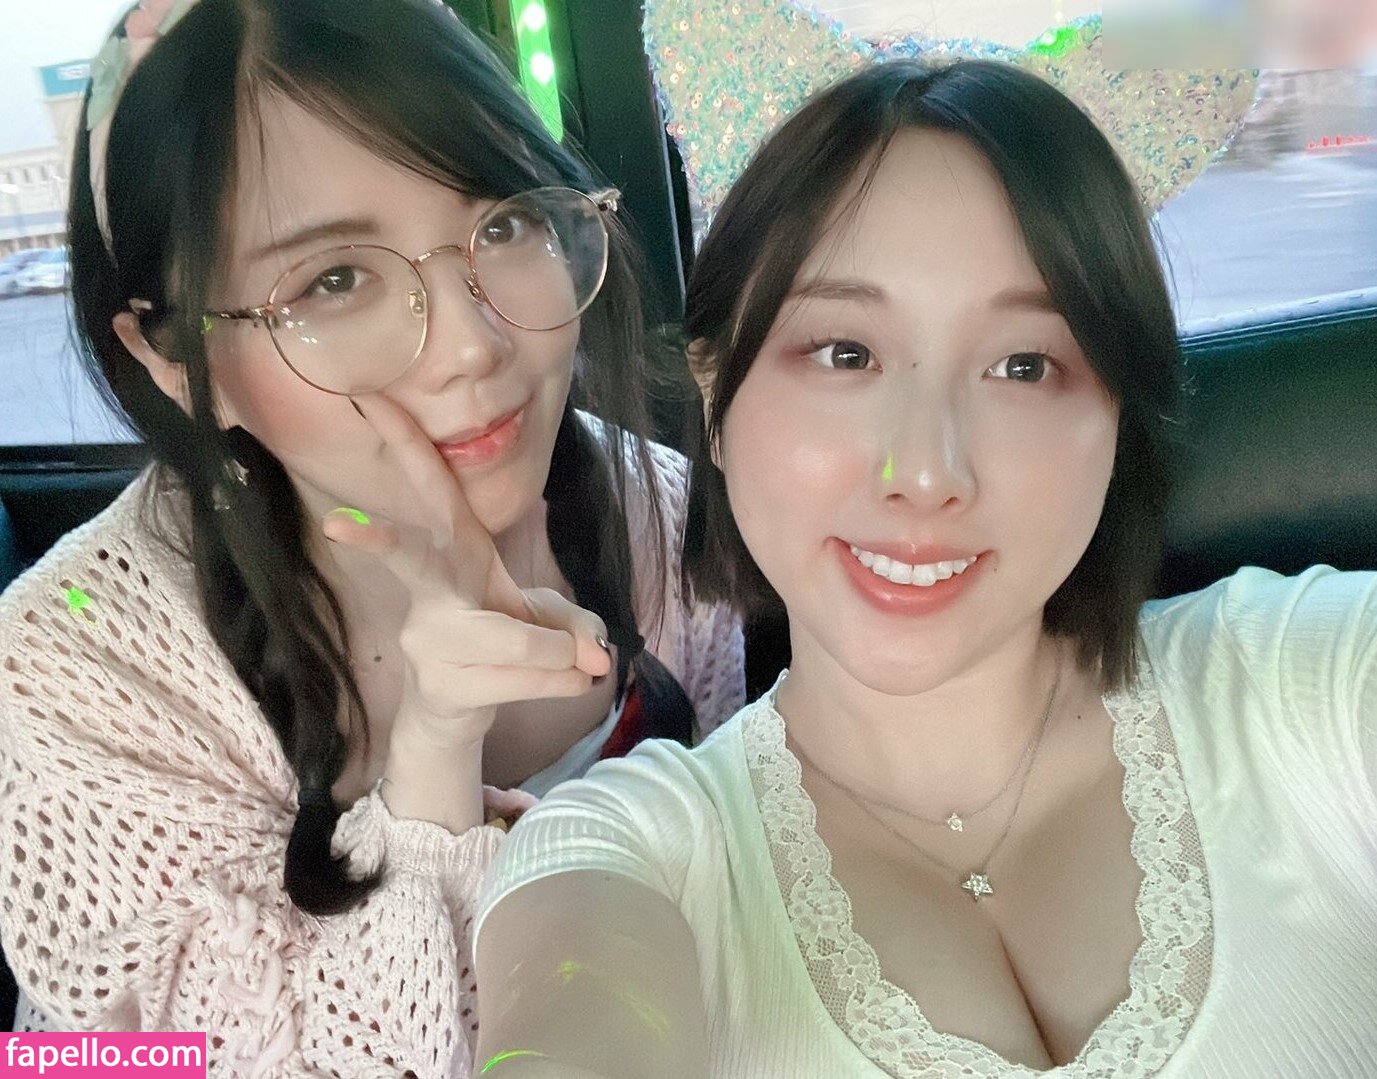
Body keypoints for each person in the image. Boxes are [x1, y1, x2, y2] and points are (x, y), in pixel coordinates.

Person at [472, 59, 1377, 1077]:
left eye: (1023, 366)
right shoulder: (633, 852)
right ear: (716, 392)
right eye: (846, 354)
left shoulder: (1309, 679)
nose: (927, 473)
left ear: (1118, 415)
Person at [0, 0, 743, 1071]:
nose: (473, 344)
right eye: (334, 280)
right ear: (173, 360)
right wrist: (435, 763)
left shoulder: (659, 508)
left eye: (504, 226)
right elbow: (154, 1056)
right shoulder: (75, 666)